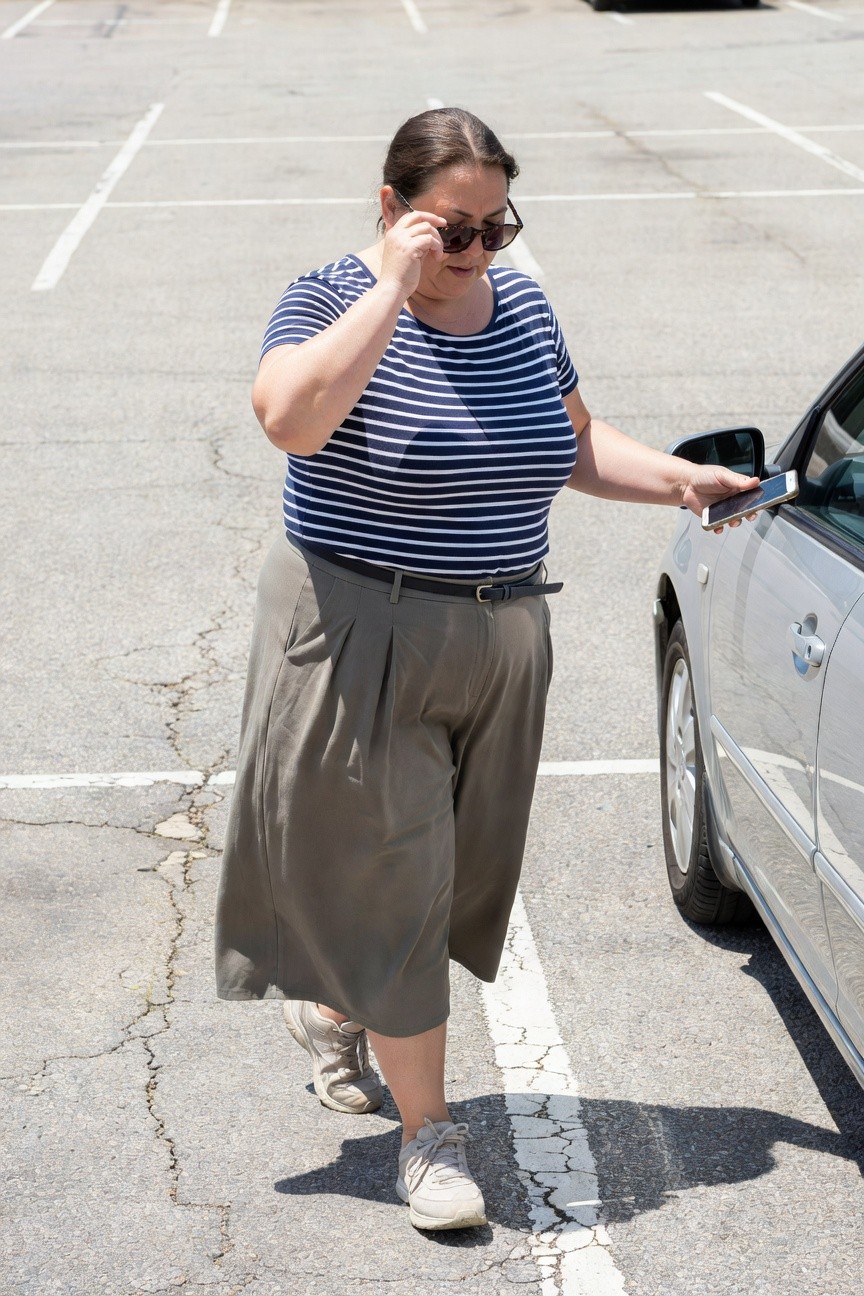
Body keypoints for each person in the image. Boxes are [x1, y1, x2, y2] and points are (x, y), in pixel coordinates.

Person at [215, 107, 758, 1233]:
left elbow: (567, 444)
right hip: (362, 626)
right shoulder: (326, 298)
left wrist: (680, 480)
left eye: (495, 222)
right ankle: (431, 1140)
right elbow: (290, 420)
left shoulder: (522, 307)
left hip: (503, 629)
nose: (476, 248)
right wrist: (389, 288)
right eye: (451, 227)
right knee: (406, 876)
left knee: (453, 874)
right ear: (391, 205)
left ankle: (336, 1008)